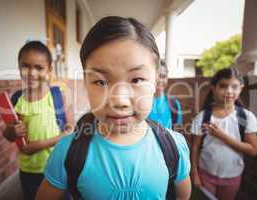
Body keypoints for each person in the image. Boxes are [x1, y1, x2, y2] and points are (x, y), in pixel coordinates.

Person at [36, 16, 191, 200]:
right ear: (85, 82)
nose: (120, 100)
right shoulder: (67, 152)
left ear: (156, 80)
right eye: (101, 81)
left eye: (136, 79)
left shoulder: (174, 147)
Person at [2, 41, 74, 200]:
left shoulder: (58, 95)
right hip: (30, 171)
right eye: (25, 66)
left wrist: (59, 137)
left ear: (49, 70)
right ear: (19, 67)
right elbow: (10, 135)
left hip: (58, 167)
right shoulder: (17, 100)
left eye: (39, 68)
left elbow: (70, 130)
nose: (32, 73)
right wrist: (11, 131)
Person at [190, 67, 257, 200]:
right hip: (206, 174)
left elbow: (253, 150)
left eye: (234, 87)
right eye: (223, 86)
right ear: (213, 87)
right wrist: (194, 173)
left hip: (232, 177)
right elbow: (195, 147)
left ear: (241, 88)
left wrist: (222, 136)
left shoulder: (246, 117)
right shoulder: (203, 117)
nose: (229, 91)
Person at [148, 60, 183, 130]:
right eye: (157, 76)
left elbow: (177, 131)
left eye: (163, 76)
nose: (160, 80)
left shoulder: (174, 104)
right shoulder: (142, 102)